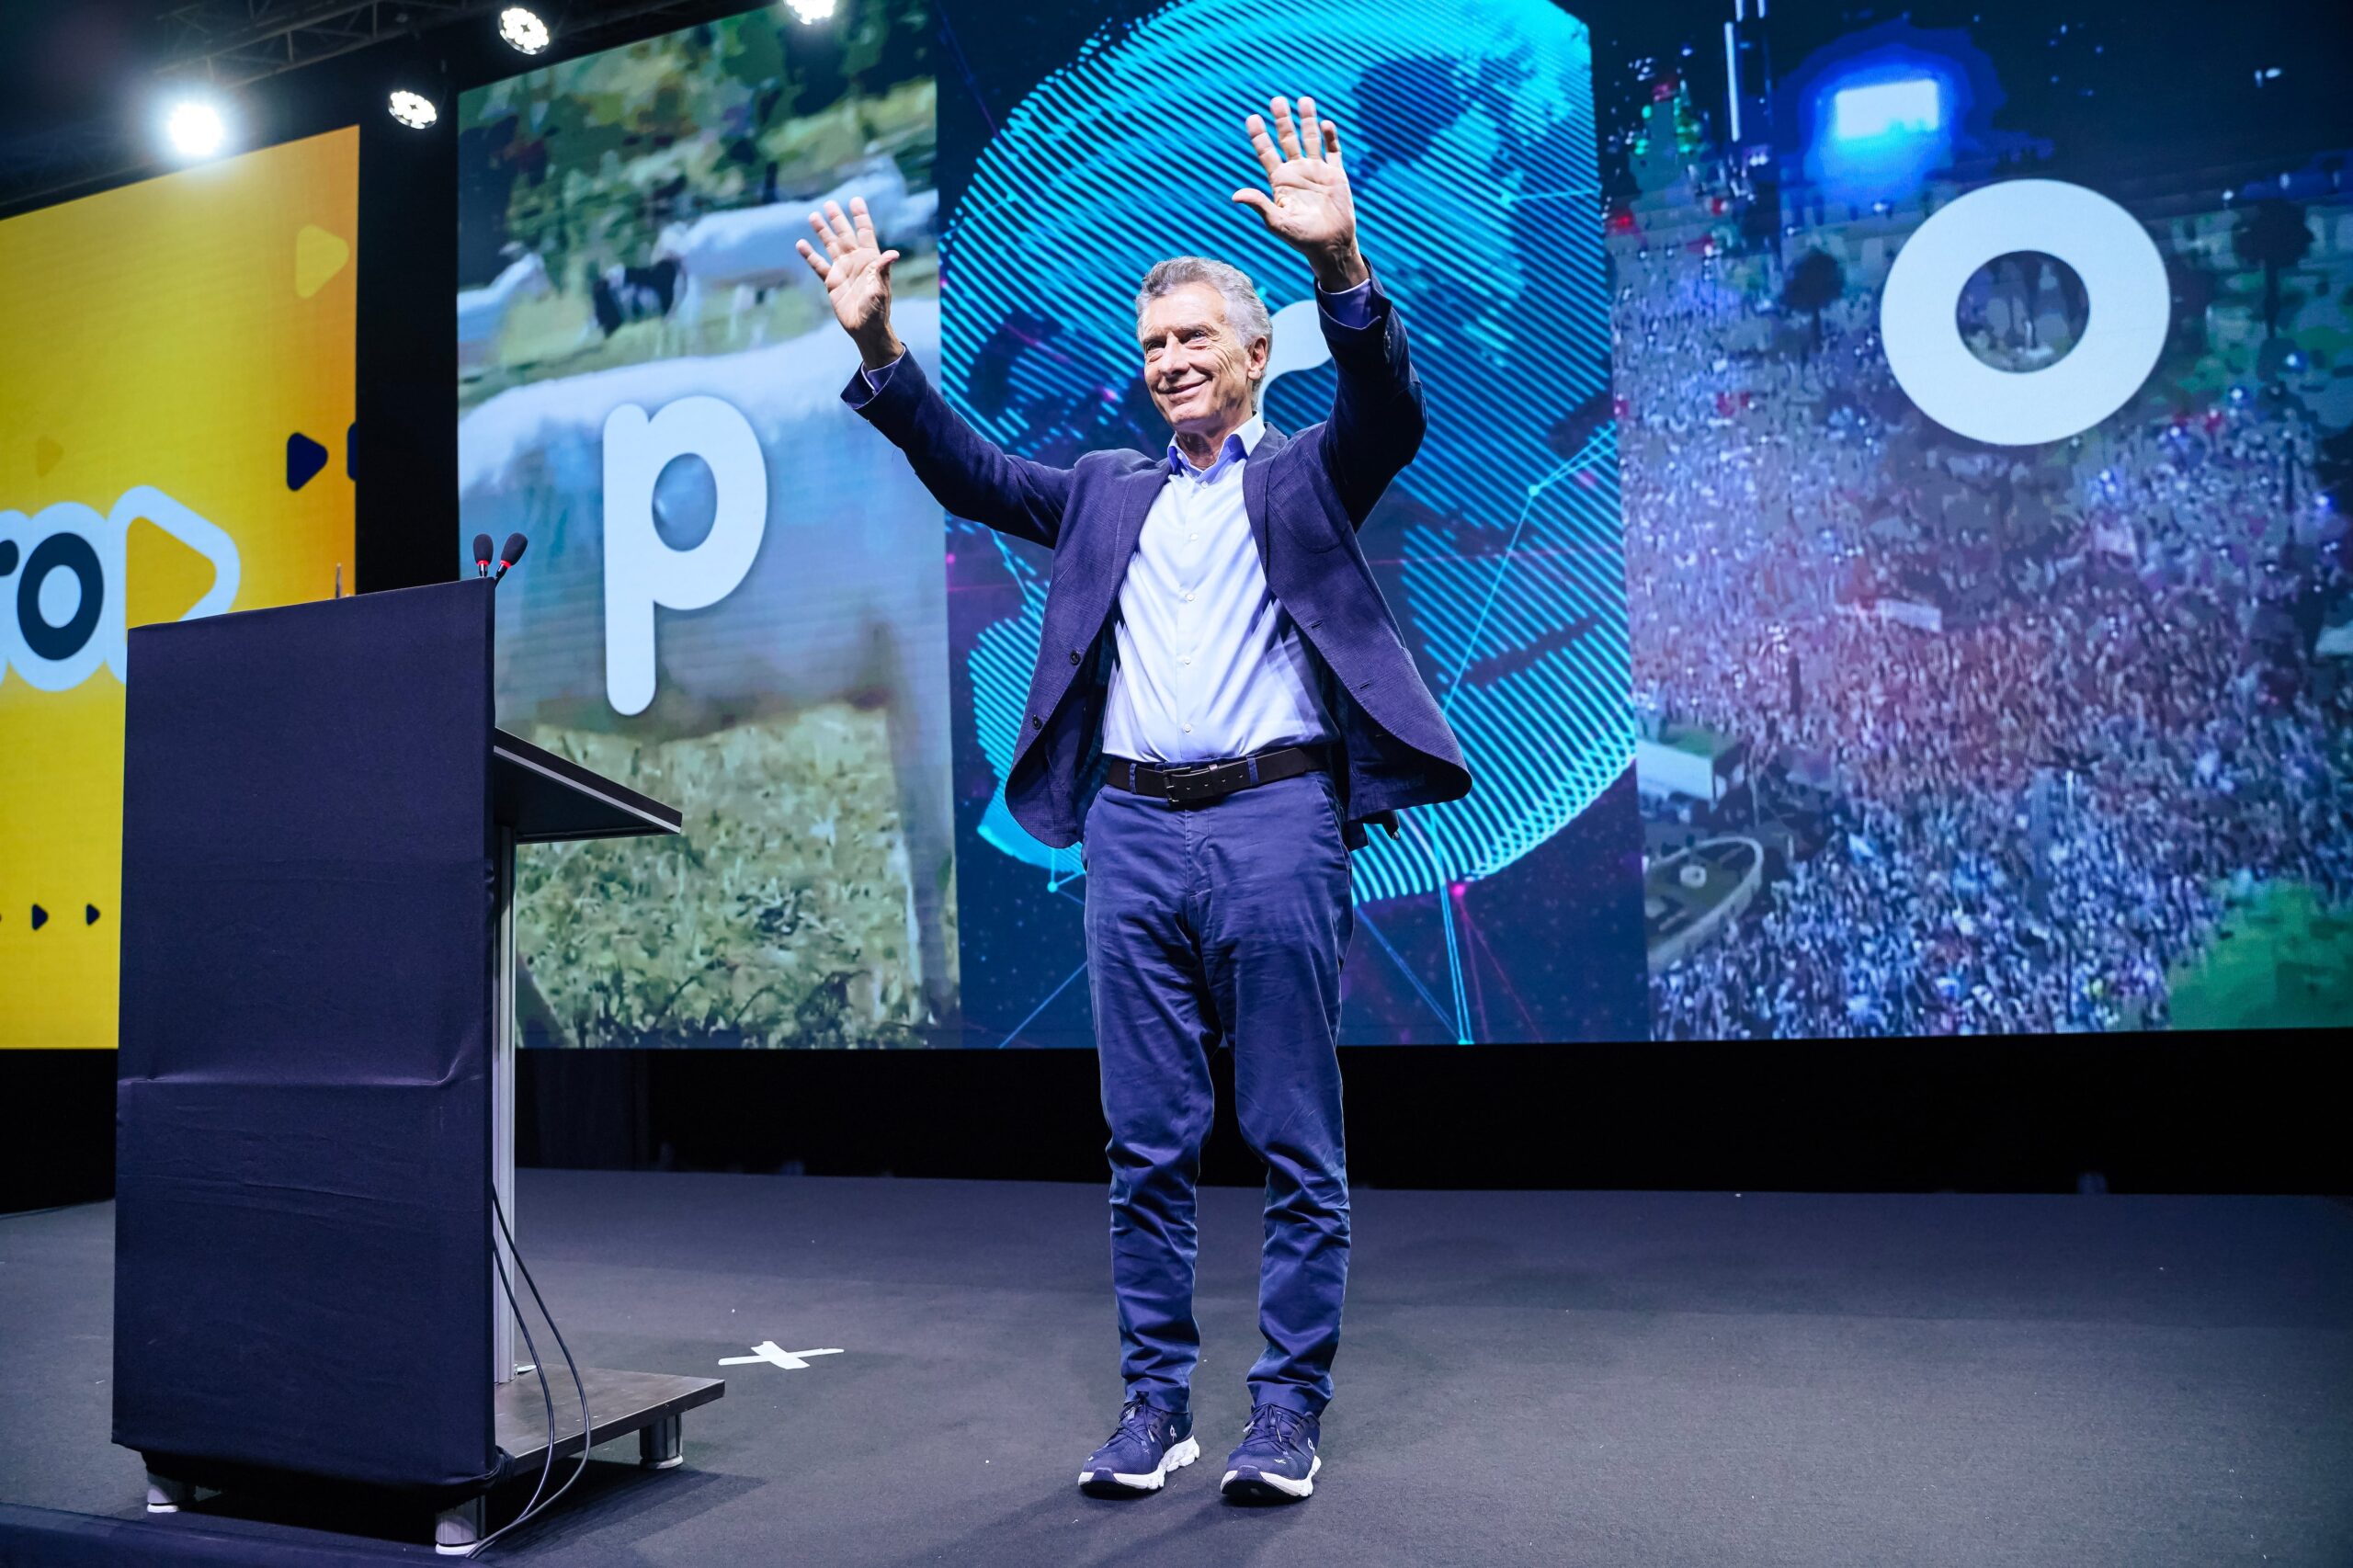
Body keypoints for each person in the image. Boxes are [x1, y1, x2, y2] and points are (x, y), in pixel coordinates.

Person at [797, 94, 1469, 1505]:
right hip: (1133, 834)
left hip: (1277, 823)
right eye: (1153, 345)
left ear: (1255, 354)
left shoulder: (1310, 472)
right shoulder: (1107, 491)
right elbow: (970, 470)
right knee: (1146, 1141)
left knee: (1292, 1133)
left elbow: (1390, 407)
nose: (1169, 362)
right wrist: (876, 344)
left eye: (1194, 339)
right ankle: (1156, 1407)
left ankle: (1285, 1413)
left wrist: (1339, 261)